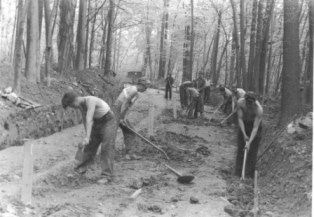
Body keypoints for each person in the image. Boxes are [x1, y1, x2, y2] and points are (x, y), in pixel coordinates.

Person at [61, 92, 117, 181]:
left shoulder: (91, 100)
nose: (73, 108)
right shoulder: (80, 105)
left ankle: (107, 175)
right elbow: (84, 119)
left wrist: (87, 137)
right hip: (97, 122)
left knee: (107, 147)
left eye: (72, 105)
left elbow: (89, 119)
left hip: (107, 121)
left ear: (76, 99)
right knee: (90, 146)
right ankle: (81, 169)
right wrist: (88, 136)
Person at [113, 78, 150, 159]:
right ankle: (107, 154)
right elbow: (125, 104)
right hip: (117, 111)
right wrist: (121, 118)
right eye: (145, 87)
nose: (145, 89)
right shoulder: (134, 91)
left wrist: (124, 117)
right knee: (112, 133)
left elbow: (126, 105)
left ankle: (129, 154)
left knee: (130, 131)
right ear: (141, 85)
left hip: (119, 111)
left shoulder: (133, 90)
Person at [235, 92, 263, 178]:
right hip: (244, 123)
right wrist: (244, 134)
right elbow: (239, 118)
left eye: (251, 104)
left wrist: (249, 142)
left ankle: (248, 174)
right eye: (247, 103)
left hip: (254, 126)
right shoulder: (240, 103)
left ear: (254, 102)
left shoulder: (259, 110)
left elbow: (255, 127)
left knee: (252, 151)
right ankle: (238, 173)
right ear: (244, 100)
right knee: (241, 148)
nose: (249, 106)